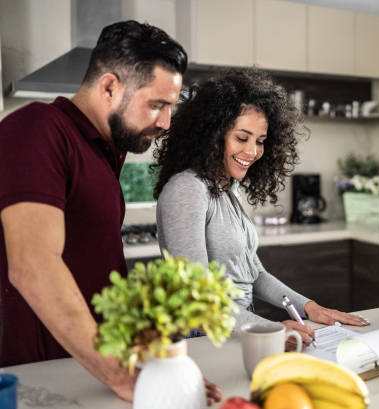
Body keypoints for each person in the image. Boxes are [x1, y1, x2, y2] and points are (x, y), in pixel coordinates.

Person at [0, 21, 221, 404]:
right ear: (109, 87)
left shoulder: (103, 151)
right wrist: (124, 378)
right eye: (157, 105)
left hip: (90, 373)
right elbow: (33, 266)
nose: (166, 122)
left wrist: (150, 366)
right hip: (43, 378)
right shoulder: (36, 129)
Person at [154, 68, 369, 346]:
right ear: (211, 134)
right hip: (206, 336)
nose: (253, 151)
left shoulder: (229, 188)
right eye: (242, 138)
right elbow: (196, 298)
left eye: (260, 141)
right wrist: (272, 330)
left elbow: (253, 275)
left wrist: (310, 307)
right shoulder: (187, 189)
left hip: (239, 326)